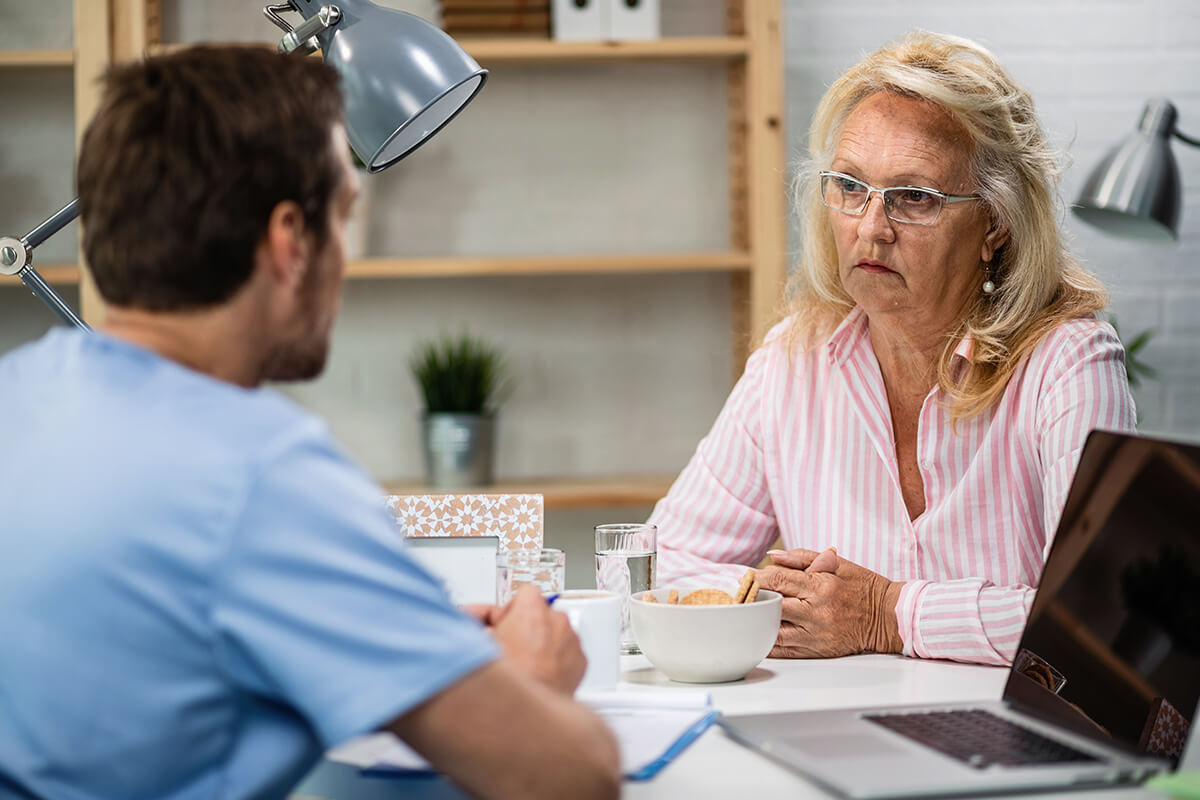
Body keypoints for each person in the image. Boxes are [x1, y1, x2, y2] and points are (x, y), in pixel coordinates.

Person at [0, 46, 619, 800]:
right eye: (343, 218)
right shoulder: (263, 475)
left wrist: (400, 638)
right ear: (290, 241)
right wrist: (533, 679)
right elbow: (571, 778)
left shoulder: (19, 396)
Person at [649, 31, 1135, 667]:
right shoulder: (794, 363)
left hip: (1014, 749)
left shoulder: (1068, 364)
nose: (871, 228)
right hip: (838, 738)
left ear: (996, 222)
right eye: (850, 186)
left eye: (915, 198)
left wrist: (887, 613)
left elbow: (1102, 616)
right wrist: (763, 604)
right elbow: (662, 561)